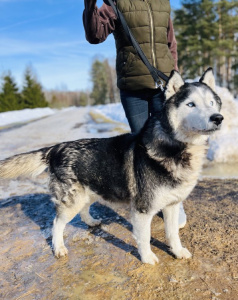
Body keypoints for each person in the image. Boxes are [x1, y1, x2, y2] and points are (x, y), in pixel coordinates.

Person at [83, 0, 187, 228]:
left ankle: (173, 202)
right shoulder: (115, 3)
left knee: (171, 142)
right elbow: (95, 35)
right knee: (143, 146)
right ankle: (149, 194)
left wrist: (174, 75)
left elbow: (170, 43)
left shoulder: (162, 3)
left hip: (164, 85)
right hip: (133, 88)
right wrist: (90, 5)